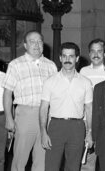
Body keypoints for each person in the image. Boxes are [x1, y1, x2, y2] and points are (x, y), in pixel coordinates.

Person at [3, 30, 57, 171]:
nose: (36, 45)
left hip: (47, 115)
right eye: (32, 41)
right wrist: (9, 118)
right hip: (26, 114)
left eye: (39, 41)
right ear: (25, 45)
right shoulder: (15, 65)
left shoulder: (51, 65)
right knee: (20, 159)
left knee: (42, 158)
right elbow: (7, 93)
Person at [39, 42, 93, 171]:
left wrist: (90, 133)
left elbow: (89, 109)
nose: (67, 60)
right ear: (60, 58)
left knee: (73, 167)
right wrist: (43, 132)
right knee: (51, 166)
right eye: (64, 56)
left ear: (77, 58)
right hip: (56, 127)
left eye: (71, 56)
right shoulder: (50, 81)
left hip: (77, 127)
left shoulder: (85, 82)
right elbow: (43, 108)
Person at [79, 38, 105, 171]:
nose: (96, 54)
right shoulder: (83, 71)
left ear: (104, 54)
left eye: (100, 51)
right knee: (87, 155)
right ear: (89, 54)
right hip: (86, 120)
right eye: (93, 51)